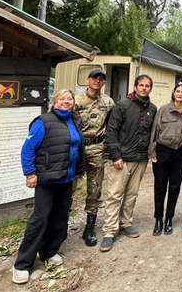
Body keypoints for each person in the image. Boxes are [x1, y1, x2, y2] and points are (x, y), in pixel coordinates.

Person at [12, 89, 85, 284]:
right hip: (47, 180)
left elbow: (77, 147)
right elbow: (28, 149)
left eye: (69, 99)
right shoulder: (43, 122)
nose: (66, 102)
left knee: (60, 217)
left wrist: (78, 169)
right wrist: (30, 173)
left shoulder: (74, 120)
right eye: (62, 98)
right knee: (40, 219)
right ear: (54, 101)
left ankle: (48, 251)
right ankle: (22, 264)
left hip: (66, 179)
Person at [100, 75, 157, 252]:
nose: (144, 88)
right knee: (115, 194)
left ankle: (125, 223)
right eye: (141, 85)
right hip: (121, 159)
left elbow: (151, 134)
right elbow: (111, 132)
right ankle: (109, 231)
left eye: (147, 86)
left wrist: (149, 155)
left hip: (140, 159)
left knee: (131, 194)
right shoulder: (122, 106)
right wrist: (115, 155)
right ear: (135, 86)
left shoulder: (152, 109)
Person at [148, 82, 182, 235]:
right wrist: (152, 152)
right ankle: (158, 219)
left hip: (180, 154)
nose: (180, 94)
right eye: (178, 91)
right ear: (174, 93)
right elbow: (154, 131)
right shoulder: (163, 110)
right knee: (160, 187)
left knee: (174, 187)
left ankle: (169, 218)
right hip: (163, 151)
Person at [74, 69, 114, 246]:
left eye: (101, 79)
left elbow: (112, 125)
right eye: (95, 78)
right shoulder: (76, 101)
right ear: (88, 79)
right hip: (77, 148)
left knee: (95, 188)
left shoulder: (108, 102)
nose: (98, 81)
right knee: (70, 186)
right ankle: (59, 227)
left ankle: (89, 227)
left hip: (97, 148)